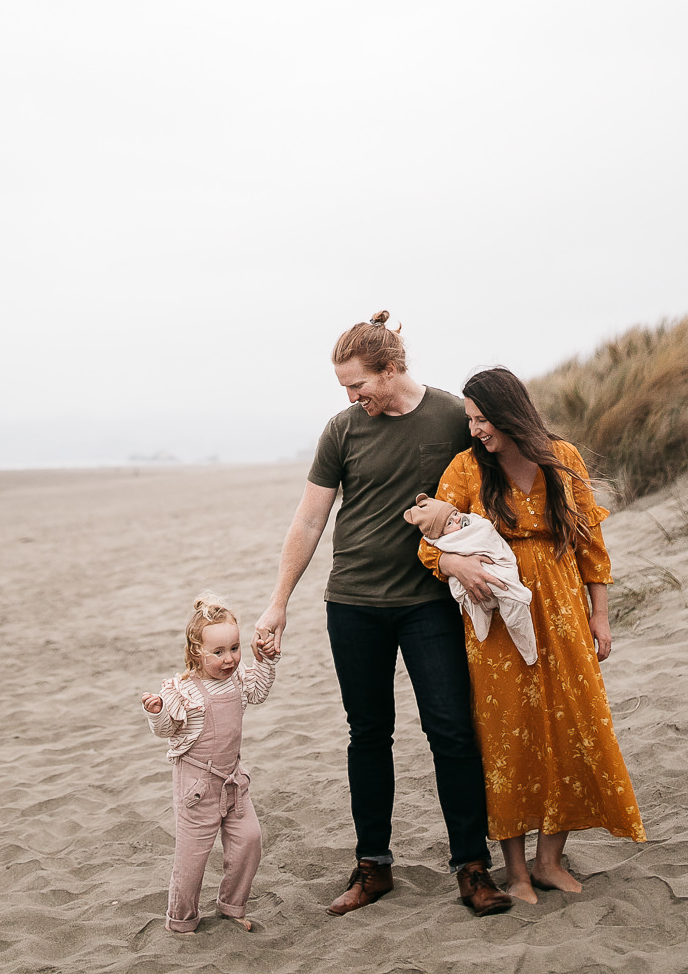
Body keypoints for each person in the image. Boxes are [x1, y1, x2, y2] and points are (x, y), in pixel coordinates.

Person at [251, 313, 511, 918]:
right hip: (353, 606)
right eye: (344, 388)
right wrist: (278, 602)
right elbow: (310, 519)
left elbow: (488, 482)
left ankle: (472, 866)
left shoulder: (451, 416)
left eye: (358, 384)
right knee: (368, 735)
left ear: (392, 369)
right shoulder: (342, 430)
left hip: (427, 603)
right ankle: (373, 867)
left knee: (450, 730)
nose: (351, 397)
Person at [417, 365, 645, 905]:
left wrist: (600, 614)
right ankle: (516, 871)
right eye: (469, 420)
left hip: (563, 609)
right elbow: (427, 547)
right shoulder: (466, 470)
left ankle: (549, 860)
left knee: (572, 724)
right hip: (496, 621)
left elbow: (590, 543)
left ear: (510, 413)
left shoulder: (562, 459)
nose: (474, 430)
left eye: (481, 420)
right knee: (506, 736)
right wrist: (457, 564)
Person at [142, 593, 278, 933]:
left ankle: (232, 905)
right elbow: (167, 731)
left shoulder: (237, 678)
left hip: (233, 780)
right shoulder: (184, 691)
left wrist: (265, 661)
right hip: (197, 787)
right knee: (192, 859)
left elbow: (259, 692)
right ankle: (182, 920)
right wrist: (156, 712)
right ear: (196, 654)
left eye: (234, 648)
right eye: (218, 652)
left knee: (249, 840)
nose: (229, 658)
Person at [403, 494, 537, 663]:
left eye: (455, 514)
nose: (457, 520)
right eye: (449, 523)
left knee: (509, 598)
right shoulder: (441, 540)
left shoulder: (471, 522)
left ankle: (524, 639)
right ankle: (490, 614)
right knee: (505, 595)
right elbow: (428, 550)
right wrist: (453, 563)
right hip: (481, 577)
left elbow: (484, 531)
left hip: (506, 568)